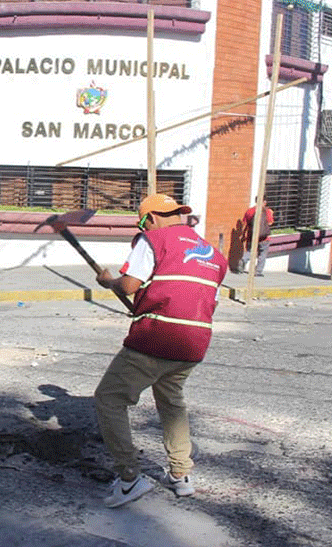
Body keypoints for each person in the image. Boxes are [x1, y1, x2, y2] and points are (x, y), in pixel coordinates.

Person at [93, 194, 228, 507]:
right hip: (195, 341)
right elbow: (209, 301)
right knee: (171, 401)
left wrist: (108, 281)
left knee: (109, 398)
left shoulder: (152, 239)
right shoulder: (213, 254)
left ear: (149, 219)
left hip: (158, 335)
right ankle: (181, 475)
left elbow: (129, 285)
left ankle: (129, 480)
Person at [239, 198, 274, 276]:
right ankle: (258, 271)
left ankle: (243, 260)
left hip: (251, 236)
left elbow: (244, 223)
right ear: (264, 202)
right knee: (262, 254)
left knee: (249, 251)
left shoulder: (250, 211)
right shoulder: (267, 211)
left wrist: (243, 234)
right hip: (264, 238)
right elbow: (270, 222)